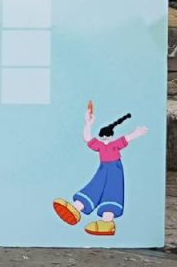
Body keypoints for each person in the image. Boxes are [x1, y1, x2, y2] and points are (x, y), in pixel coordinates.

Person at [54, 101, 148, 237]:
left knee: (112, 191)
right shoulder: (101, 146)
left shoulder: (114, 144)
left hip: (115, 170)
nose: (104, 139)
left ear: (110, 136)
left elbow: (127, 138)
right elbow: (88, 138)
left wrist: (137, 133)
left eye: (106, 136)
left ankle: (107, 222)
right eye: (102, 137)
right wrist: (88, 123)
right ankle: (77, 208)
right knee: (94, 186)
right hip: (103, 169)